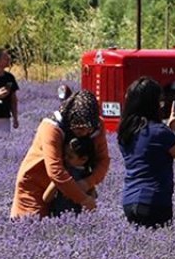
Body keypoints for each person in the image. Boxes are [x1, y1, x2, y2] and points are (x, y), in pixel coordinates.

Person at [12, 90, 110, 218]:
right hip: (36, 183)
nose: (85, 132)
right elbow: (55, 170)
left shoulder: (96, 125)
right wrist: (83, 199)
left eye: (89, 128)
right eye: (80, 128)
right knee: (31, 226)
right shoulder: (51, 127)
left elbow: (103, 160)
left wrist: (87, 183)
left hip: (71, 185)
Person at [117, 77, 175, 228]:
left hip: (129, 200)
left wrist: (168, 129)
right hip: (154, 201)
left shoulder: (126, 131)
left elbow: (148, 149)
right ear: (152, 105)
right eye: (160, 102)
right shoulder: (159, 132)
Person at [41, 136, 98, 216]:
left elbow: (46, 198)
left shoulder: (66, 174)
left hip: (60, 216)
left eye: (70, 157)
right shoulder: (88, 176)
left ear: (83, 159)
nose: (65, 158)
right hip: (78, 219)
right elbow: (93, 199)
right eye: (65, 155)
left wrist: (58, 180)